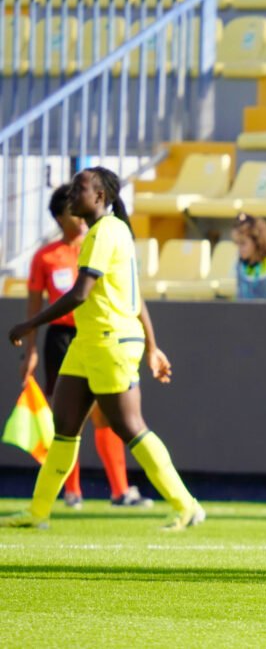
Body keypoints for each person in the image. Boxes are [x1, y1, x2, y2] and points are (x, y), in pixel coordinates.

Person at [4, 166, 204, 531]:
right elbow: (132, 294)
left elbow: (81, 293)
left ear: (99, 196)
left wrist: (30, 324)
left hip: (111, 340)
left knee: (129, 426)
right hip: (89, 341)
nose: (72, 195)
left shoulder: (103, 233)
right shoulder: (114, 230)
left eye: (79, 189)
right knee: (64, 426)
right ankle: (38, 511)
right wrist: (152, 346)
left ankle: (186, 504)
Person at [20, 185, 153, 510]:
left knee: (106, 416)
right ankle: (72, 491)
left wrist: (153, 344)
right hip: (62, 338)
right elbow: (35, 302)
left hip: (99, 334)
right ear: (60, 217)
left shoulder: (98, 242)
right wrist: (31, 348)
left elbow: (127, 292)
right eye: (72, 212)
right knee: (67, 418)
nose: (80, 219)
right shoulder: (46, 256)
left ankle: (120, 490)